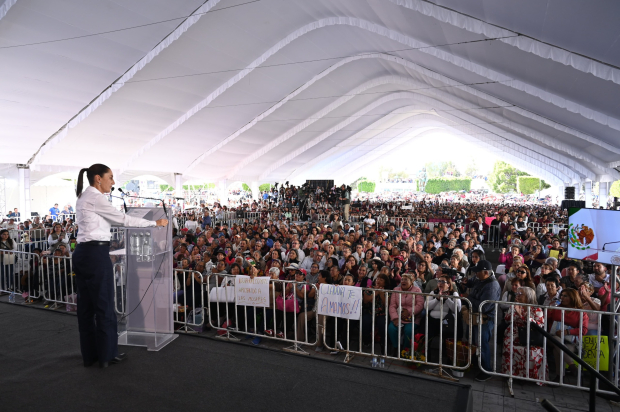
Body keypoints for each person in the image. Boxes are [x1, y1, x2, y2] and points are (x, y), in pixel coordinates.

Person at [73, 164, 168, 368]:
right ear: (98, 178)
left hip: (82, 253)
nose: (113, 182)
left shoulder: (83, 196)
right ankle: (107, 355)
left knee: (86, 308)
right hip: (96, 254)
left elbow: (107, 222)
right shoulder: (97, 198)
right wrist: (155, 224)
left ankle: (90, 356)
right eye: (111, 177)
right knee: (105, 306)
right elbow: (123, 219)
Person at [465, 260, 502, 382]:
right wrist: (466, 283)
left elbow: (484, 306)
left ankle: (486, 370)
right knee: (475, 340)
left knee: (482, 343)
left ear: (486, 272)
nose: (475, 274)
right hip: (476, 317)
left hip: (485, 319)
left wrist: (468, 298)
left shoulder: (492, 286)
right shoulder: (480, 279)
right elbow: (472, 283)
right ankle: (477, 363)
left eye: (478, 272)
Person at [501, 286, 548, 382]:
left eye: (520, 294)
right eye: (517, 293)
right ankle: (511, 374)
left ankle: (529, 377)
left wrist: (522, 316)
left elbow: (538, 325)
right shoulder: (514, 306)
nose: (517, 296)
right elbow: (506, 319)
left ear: (528, 296)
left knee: (532, 350)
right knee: (509, 343)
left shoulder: (536, 309)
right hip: (514, 333)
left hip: (531, 335)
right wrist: (514, 311)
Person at [548, 289, 588, 383]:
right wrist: (549, 310)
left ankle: (559, 377)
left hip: (571, 341)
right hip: (553, 337)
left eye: (565, 296)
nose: (562, 297)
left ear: (572, 298)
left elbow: (584, 330)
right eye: (561, 295)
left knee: (557, 349)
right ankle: (572, 365)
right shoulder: (557, 308)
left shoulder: (581, 312)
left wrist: (568, 332)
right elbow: (547, 319)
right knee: (556, 340)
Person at [387, 273, 424, 354]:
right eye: (402, 279)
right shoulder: (396, 290)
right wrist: (395, 318)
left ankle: (405, 350)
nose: (403, 281)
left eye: (406, 279)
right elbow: (392, 306)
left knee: (409, 330)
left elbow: (420, 305)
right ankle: (396, 347)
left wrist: (409, 311)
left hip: (412, 318)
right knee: (391, 328)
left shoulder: (417, 290)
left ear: (411, 282)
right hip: (398, 316)